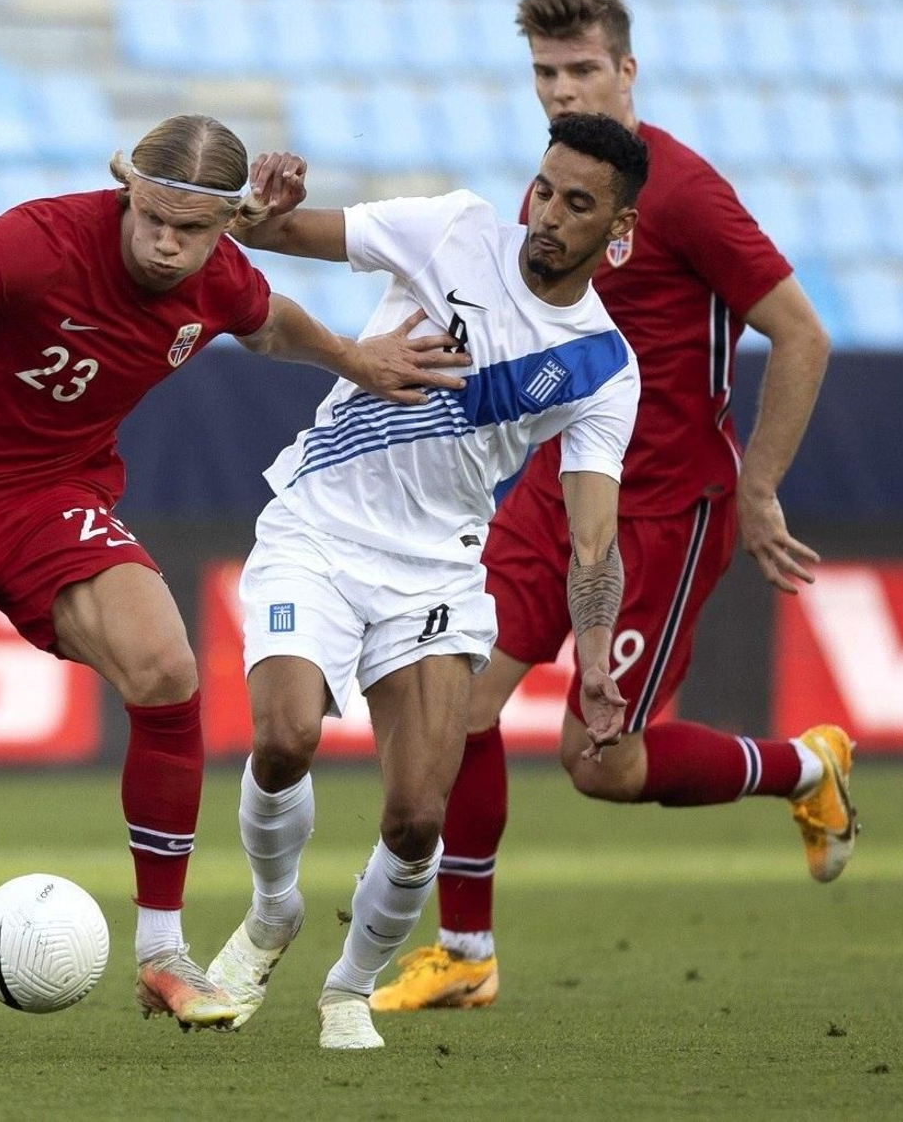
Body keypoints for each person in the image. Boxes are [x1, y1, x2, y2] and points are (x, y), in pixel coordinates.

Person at [0, 113, 471, 1055]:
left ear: (225, 225)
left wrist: (355, 357)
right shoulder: (43, 240)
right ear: (127, 190)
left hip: (52, 496)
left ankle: (162, 949)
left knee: (167, 666)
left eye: (191, 228)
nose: (165, 241)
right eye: (151, 216)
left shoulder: (214, 274)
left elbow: (268, 326)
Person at [371, 0, 848, 1015]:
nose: (561, 91)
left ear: (626, 73)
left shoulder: (682, 194)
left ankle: (804, 764)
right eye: (546, 75)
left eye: (581, 72)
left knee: (599, 760)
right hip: (554, 483)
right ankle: (465, 949)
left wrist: (756, 485)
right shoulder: (552, 183)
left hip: (662, 511)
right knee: (454, 689)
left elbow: (800, 333)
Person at [205, 112, 646, 1049]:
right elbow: (273, 233)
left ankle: (349, 987)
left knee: (415, 817)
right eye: (544, 188)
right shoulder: (451, 229)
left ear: (619, 233)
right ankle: (273, 909)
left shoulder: (604, 367)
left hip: (435, 569)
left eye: (577, 204)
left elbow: (593, 535)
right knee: (282, 739)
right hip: (318, 526)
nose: (547, 215)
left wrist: (596, 660)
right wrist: (263, 205)